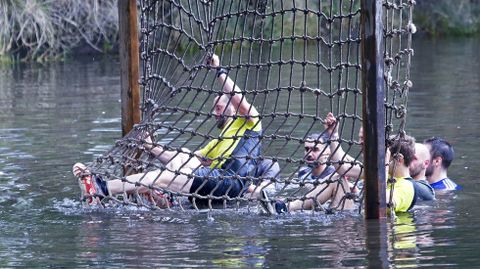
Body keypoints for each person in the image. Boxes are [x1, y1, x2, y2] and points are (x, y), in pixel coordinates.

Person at [73, 53, 270, 207]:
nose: (214, 113)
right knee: (182, 156)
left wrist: (218, 69)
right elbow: (183, 158)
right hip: (216, 185)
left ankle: (101, 189)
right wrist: (151, 147)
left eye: (218, 108)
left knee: (163, 177)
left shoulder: (251, 122)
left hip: (231, 184)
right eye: (214, 108)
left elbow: (239, 98)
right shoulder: (217, 142)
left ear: (233, 109)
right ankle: (165, 197)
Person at [318, 112, 417, 213]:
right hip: (358, 219)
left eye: (383, 156)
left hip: (381, 227)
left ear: (399, 159)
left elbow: (382, 204)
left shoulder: (406, 188)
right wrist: (333, 134)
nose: (379, 159)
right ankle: (300, 205)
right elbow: (342, 168)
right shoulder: (379, 173)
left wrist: (385, 166)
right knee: (337, 179)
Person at [271, 133, 356, 214]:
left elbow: (350, 188)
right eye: (307, 149)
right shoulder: (303, 172)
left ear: (328, 152)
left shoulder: (335, 175)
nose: (309, 154)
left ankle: (286, 207)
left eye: (315, 149)